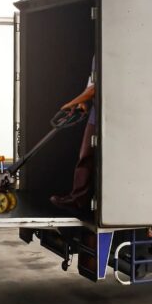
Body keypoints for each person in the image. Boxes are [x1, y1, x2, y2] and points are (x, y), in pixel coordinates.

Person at [50, 58, 96, 210]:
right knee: (86, 156)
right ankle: (79, 200)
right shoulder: (97, 54)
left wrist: (72, 102)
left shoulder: (107, 48)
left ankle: (78, 200)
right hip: (96, 113)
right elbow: (92, 82)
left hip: (105, 114)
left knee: (87, 156)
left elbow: (96, 88)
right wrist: (83, 101)